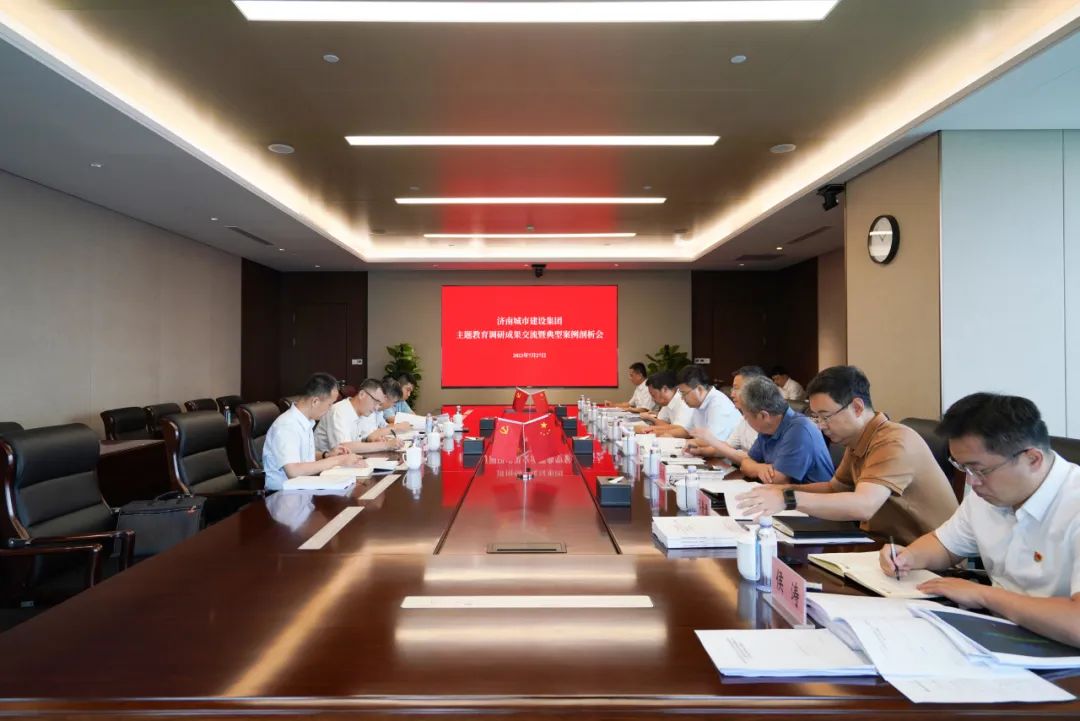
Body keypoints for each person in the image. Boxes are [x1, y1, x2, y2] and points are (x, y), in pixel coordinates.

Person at [880, 393, 1080, 647]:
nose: (972, 482)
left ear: (1032, 459)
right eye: (964, 468)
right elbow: (944, 545)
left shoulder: (1073, 504)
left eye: (980, 470)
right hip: (1001, 632)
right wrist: (908, 556)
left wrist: (984, 595)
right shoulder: (989, 495)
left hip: (1058, 648)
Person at [735, 366, 957, 543]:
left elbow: (863, 506)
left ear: (857, 407)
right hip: (884, 548)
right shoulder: (857, 440)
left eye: (826, 416)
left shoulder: (893, 441)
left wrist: (788, 499)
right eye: (817, 417)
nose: (821, 425)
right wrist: (781, 489)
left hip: (927, 558)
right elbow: (835, 488)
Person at [262, 372, 362, 491]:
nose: (330, 409)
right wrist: (338, 460)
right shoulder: (287, 425)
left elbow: (303, 456)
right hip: (283, 495)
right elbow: (293, 471)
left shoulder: (305, 420)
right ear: (315, 401)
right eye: (329, 404)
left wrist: (327, 455)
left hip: (305, 487)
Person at [736, 374, 834, 484]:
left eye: (746, 416)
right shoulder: (767, 430)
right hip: (784, 492)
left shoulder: (799, 430)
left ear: (763, 415)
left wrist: (756, 468)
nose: (745, 419)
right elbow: (745, 464)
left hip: (812, 494)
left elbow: (778, 480)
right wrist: (759, 469)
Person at [686, 365, 764, 459]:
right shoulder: (745, 419)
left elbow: (753, 459)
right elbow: (726, 448)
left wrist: (711, 441)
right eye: (733, 388)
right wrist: (700, 451)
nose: (732, 394)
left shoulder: (765, 419)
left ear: (755, 390)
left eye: (736, 388)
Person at [316, 378, 403, 455]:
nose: (376, 408)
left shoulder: (361, 412)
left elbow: (360, 441)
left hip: (344, 461)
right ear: (362, 394)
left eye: (379, 404)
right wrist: (385, 445)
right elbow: (344, 447)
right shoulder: (339, 411)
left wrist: (372, 441)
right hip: (323, 465)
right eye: (375, 401)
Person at [653, 365, 740, 440]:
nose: (682, 398)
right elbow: (687, 430)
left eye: (684, 393)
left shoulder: (718, 405)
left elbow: (713, 443)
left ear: (699, 389)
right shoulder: (699, 404)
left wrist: (678, 442)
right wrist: (661, 433)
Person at [362, 377, 411, 442]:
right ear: (385, 398)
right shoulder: (368, 410)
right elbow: (370, 436)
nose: (393, 405)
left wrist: (399, 426)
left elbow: (384, 426)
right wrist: (396, 427)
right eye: (394, 402)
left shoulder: (379, 411)